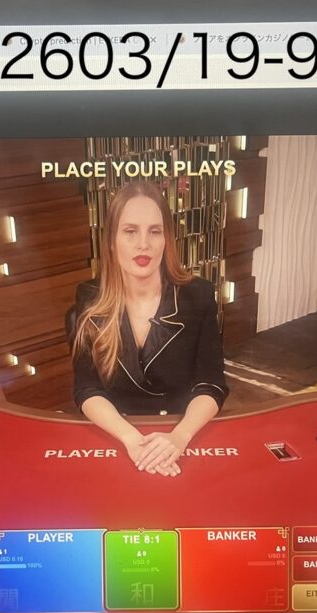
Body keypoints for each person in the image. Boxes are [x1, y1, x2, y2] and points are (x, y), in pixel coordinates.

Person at [72, 182, 228, 478]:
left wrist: (179, 437)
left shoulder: (198, 295)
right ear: (112, 240)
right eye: (130, 231)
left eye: (155, 231)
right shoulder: (89, 297)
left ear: (167, 239)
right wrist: (132, 439)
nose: (143, 244)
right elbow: (87, 388)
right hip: (118, 431)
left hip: (182, 431)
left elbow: (211, 384)